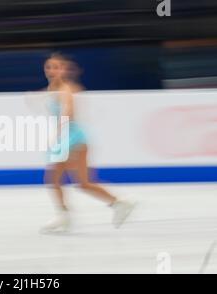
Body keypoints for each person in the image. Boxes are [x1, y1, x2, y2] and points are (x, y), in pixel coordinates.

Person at [41, 53, 135, 233]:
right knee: (83, 183)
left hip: (71, 138)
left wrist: (60, 129)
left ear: (63, 69)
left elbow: (69, 110)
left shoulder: (66, 89)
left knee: (54, 179)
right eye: (48, 67)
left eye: (55, 67)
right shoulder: (54, 88)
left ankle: (64, 216)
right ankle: (120, 202)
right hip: (77, 138)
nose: (51, 70)